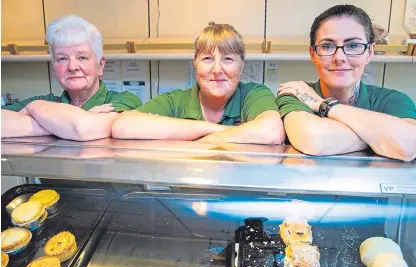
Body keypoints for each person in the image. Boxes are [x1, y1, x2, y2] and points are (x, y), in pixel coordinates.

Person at [276, 4, 416, 161]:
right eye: (327, 46)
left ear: (370, 52)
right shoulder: (297, 93)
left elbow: (410, 144)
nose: (339, 57)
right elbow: (315, 140)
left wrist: (322, 104)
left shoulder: (393, 100)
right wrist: (381, 136)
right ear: (312, 54)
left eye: (353, 45)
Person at [112, 22, 285, 145]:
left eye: (228, 59)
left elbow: (271, 132)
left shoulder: (254, 94)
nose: (217, 69)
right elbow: (122, 126)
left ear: (241, 66)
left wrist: (202, 141)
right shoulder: (176, 101)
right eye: (208, 58)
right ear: (195, 63)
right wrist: (213, 129)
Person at [1, 15, 142, 141]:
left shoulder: (124, 100)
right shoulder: (47, 102)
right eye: (62, 59)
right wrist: (65, 126)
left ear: (100, 65)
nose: (72, 67)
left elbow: (85, 129)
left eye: (82, 57)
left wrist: (35, 108)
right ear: (53, 66)